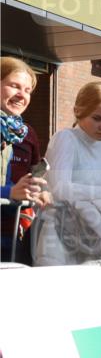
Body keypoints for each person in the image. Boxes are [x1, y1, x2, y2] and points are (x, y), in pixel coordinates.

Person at [35, 83, 101, 265]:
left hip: (100, 237)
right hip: (62, 233)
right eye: (97, 118)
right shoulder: (66, 138)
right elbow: (61, 189)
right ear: (78, 111)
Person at [1, 57, 49, 262]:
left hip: (14, 237)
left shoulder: (27, 133)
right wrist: (9, 192)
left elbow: (32, 176)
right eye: (14, 86)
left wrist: (41, 192)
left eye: (27, 90)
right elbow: (13, 190)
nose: (22, 95)